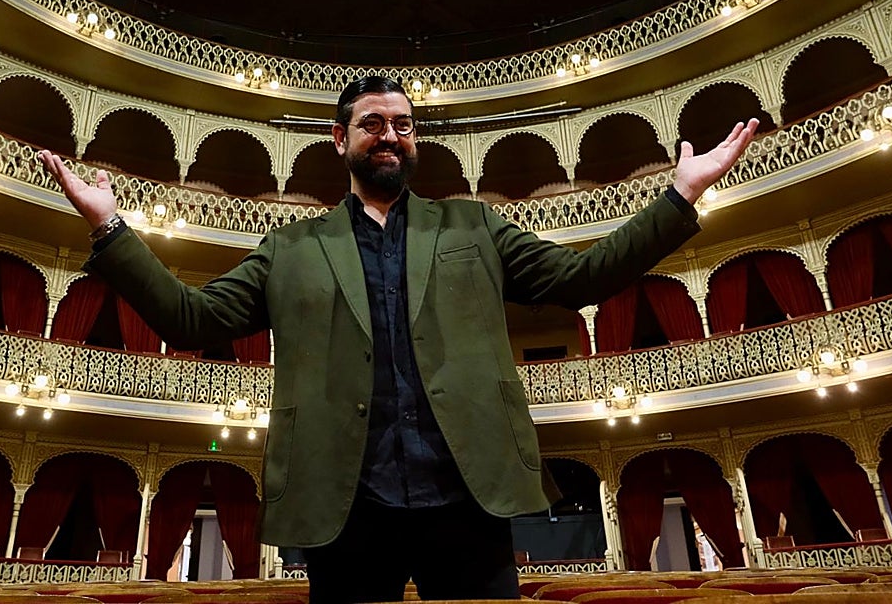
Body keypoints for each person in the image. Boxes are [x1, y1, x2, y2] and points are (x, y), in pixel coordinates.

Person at [38, 75, 758, 603]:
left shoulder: (473, 226)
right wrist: (108, 228)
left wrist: (680, 196)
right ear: (340, 139)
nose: (391, 134)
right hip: (347, 502)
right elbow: (189, 320)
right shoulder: (290, 247)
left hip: (465, 495)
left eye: (405, 124)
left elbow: (583, 277)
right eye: (373, 122)